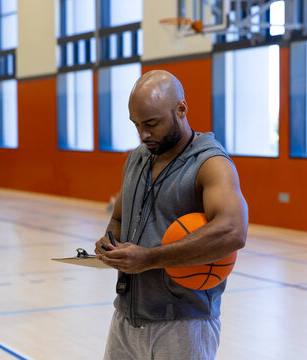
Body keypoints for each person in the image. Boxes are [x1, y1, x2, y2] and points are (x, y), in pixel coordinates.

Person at [95, 70, 248, 360]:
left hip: (184, 324)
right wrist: (109, 241)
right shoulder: (137, 157)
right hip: (126, 318)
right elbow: (118, 218)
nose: (143, 134)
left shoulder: (211, 163)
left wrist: (149, 258)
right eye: (136, 125)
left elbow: (232, 231)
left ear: (181, 109)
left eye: (152, 124)